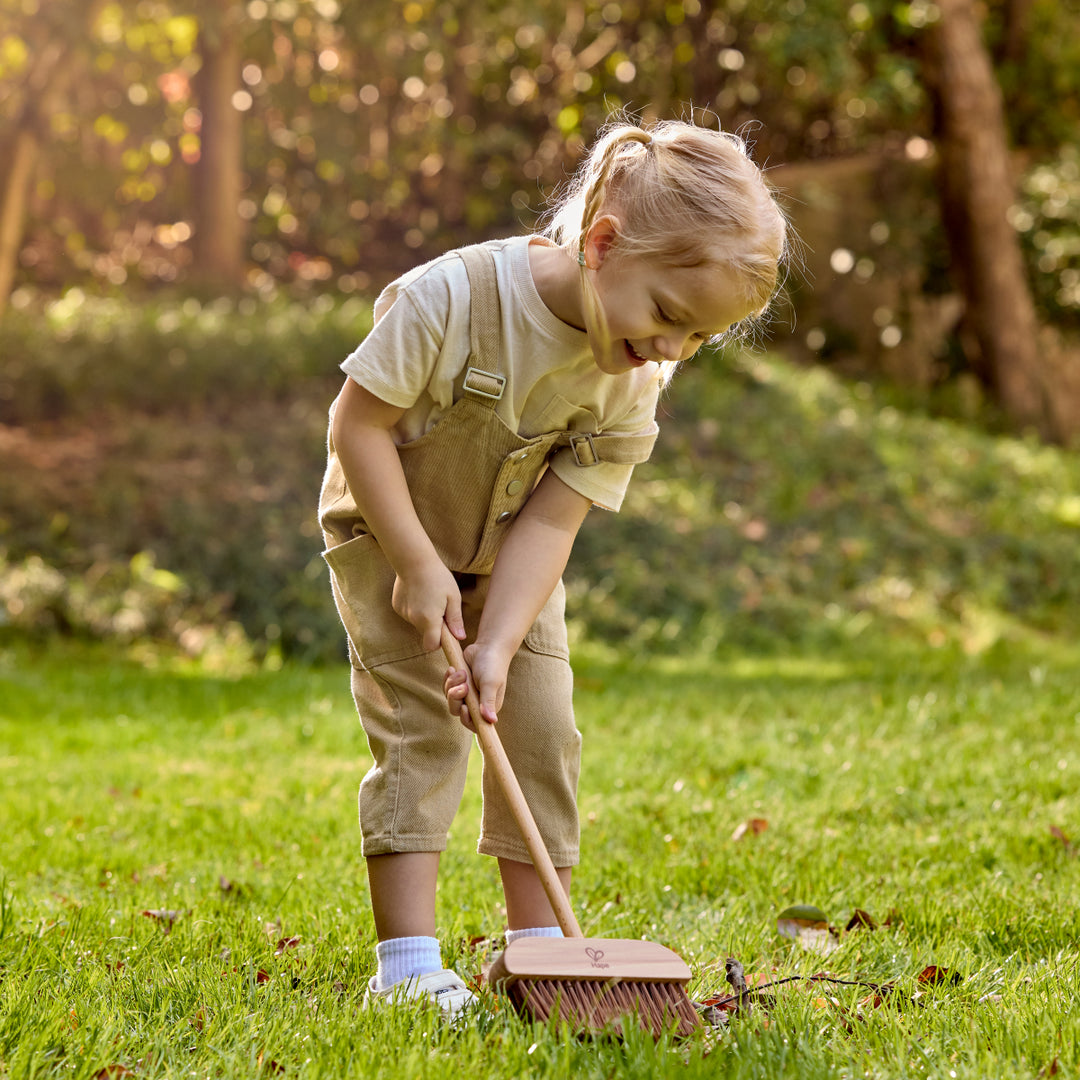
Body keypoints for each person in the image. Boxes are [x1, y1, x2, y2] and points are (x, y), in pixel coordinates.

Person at [318, 116, 788, 1016]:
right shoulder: (451, 299)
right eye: (669, 318)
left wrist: (498, 642)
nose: (672, 350)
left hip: (509, 553)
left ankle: (540, 957)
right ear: (603, 244)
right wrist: (415, 564)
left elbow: (554, 518)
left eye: (700, 339)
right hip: (387, 533)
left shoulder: (634, 375)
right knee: (425, 728)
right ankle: (408, 968)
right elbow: (357, 427)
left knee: (539, 725)